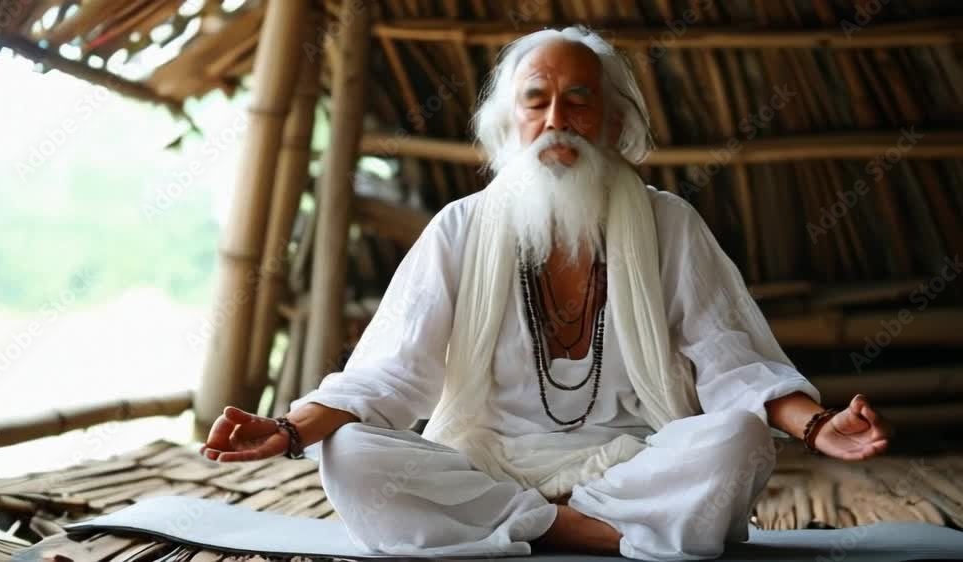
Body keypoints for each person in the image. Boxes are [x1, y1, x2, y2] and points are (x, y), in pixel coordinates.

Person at [200, 26, 893, 561]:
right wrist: (291, 430)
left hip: (632, 462)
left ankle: (521, 531)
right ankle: (599, 537)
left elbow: (729, 361)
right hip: (486, 464)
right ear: (512, 125)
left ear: (615, 124)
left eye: (579, 100)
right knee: (350, 456)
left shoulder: (668, 225)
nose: (557, 118)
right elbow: (391, 372)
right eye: (537, 100)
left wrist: (814, 424)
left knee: (736, 440)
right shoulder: (461, 228)